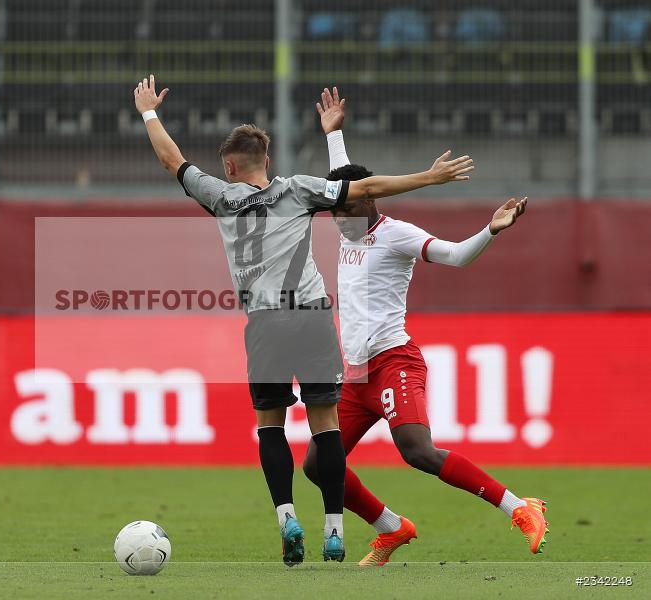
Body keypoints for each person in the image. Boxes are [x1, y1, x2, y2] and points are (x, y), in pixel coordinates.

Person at [133, 75, 474, 565]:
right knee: (325, 424)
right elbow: (366, 187)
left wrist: (149, 112)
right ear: (267, 160)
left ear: (229, 167)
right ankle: (334, 530)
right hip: (312, 317)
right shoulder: (297, 190)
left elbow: (172, 160)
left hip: (264, 324)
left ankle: (287, 519)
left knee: (270, 425)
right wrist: (429, 177)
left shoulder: (219, 196)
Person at [303, 87, 548, 567]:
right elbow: (349, 180)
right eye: (334, 211)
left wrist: (490, 230)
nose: (337, 219)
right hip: (355, 373)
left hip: (394, 360)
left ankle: (520, 508)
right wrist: (334, 135)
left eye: (344, 209)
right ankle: (391, 527)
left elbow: (455, 256)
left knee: (417, 451)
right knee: (317, 464)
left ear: (369, 202)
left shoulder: (396, 234)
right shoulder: (350, 220)